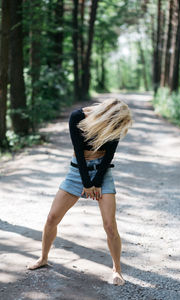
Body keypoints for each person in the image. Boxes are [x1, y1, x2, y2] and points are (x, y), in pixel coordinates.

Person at [27, 98, 132, 286]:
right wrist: (87, 183)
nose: (116, 127)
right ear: (107, 115)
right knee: (52, 218)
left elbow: (108, 157)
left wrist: (96, 182)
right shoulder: (77, 117)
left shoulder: (115, 125)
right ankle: (43, 258)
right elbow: (78, 150)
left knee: (110, 225)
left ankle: (117, 269)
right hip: (78, 171)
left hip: (102, 171)